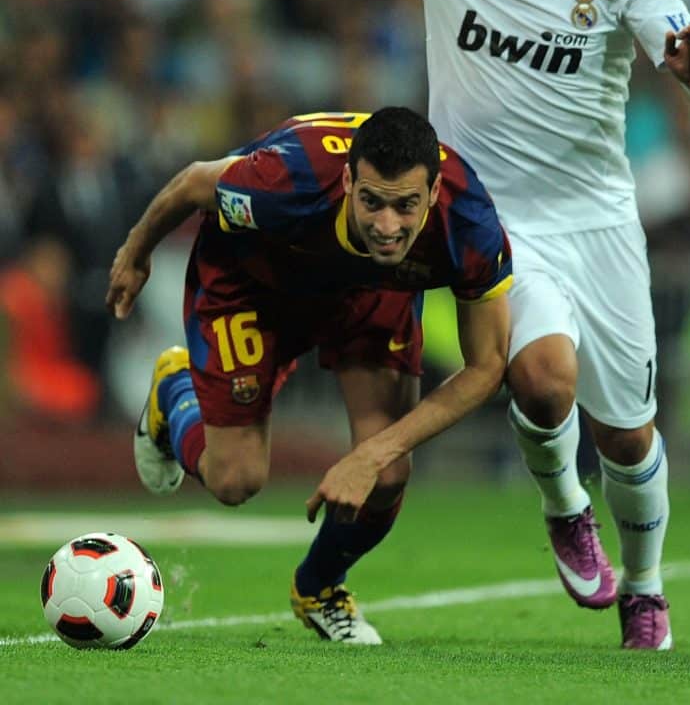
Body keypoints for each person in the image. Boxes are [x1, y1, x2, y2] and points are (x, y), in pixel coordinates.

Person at [291, 0, 690, 651]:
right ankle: (566, 509)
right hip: (492, 222)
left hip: (599, 225)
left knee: (630, 436)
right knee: (540, 381)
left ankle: (645, 588)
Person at [106, 107, 511, 644]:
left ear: (434, 193)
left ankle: (319, 587)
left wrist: (372, 453)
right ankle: (173, 392)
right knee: (235, 480)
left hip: (371, 294)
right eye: (371, 201)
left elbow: (487, 367)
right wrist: (136, 252)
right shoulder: (284, 181)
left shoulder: (470, 223)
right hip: (254, 281)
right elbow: (191, 184)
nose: (388, 226)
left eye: (406, 205)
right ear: (347, 180)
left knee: (387, 474)